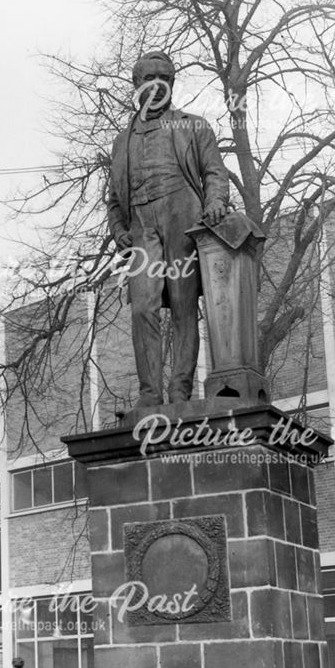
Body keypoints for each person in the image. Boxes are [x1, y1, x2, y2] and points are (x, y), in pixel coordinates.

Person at [107, 50, 229, 409]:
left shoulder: (193, 126)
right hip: (142, 226)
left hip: (183, 216)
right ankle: (149, 395)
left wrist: (214, 202)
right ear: (137, 85)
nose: (159, 84)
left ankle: (179, 391)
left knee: (183, 305)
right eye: (151, 78)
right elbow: (114, 199)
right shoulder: (120, 141)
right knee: (142, 307)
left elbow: (214, 173)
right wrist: (119, 232)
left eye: (167, 78)